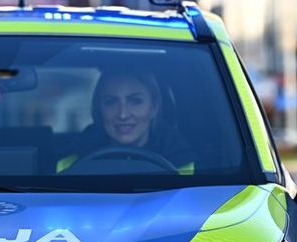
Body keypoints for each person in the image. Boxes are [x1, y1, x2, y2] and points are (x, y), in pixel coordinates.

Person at [57, 70, 199, 174]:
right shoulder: (71, 163)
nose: (123, 114)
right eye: (111, 102)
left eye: (135, 101)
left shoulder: (184, 162)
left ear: (154, 107)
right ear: (99, 109)